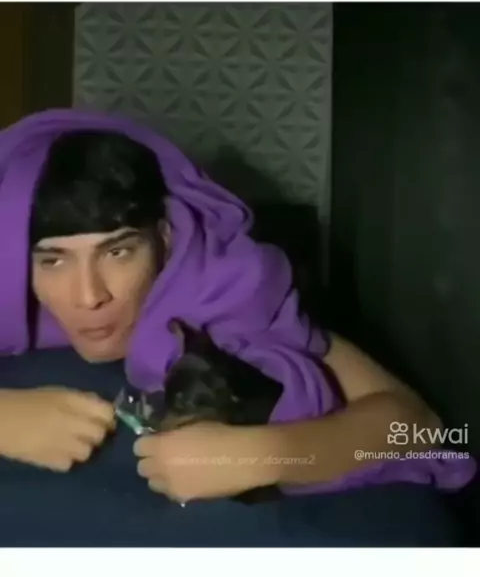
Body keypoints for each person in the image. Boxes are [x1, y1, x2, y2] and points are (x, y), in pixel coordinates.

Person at [0, 109, 475, 514]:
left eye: (118, 252)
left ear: (164, 239)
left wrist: (261, 455)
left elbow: (416, 425)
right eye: (52, 260)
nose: (88, 296)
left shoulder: (224, 288)